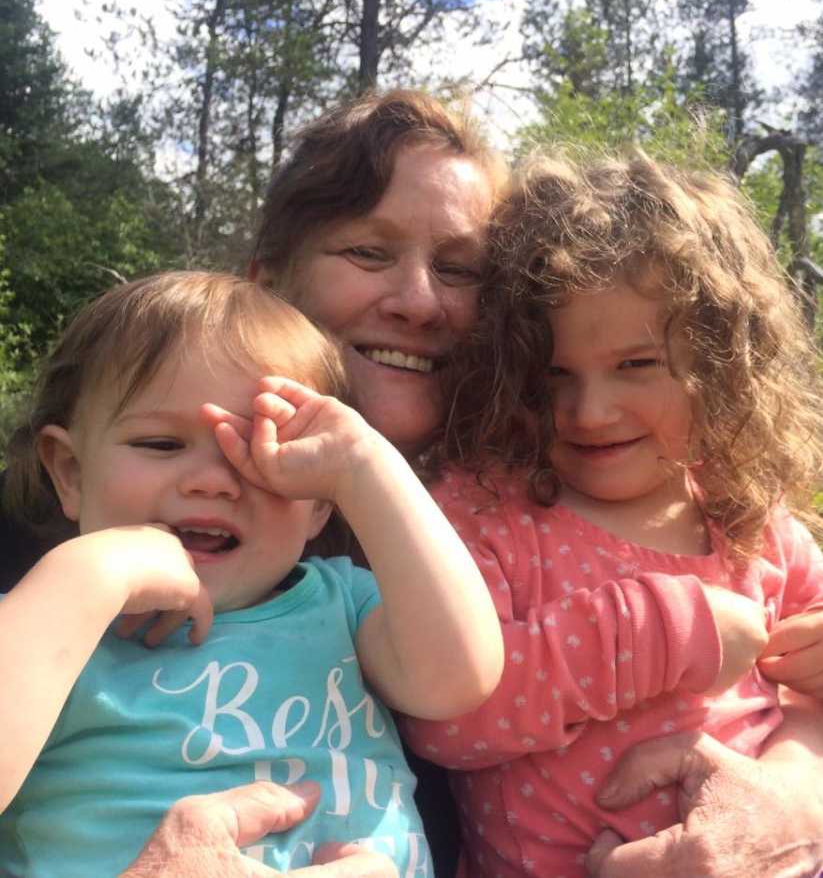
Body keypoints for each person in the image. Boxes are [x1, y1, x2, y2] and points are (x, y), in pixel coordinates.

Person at [0, 89, 823, 877]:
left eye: (457, 269)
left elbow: (801, 657)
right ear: (269, 280)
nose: (419, 301)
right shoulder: (69, 548)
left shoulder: (596, 479)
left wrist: (797, 796)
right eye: (369, 252)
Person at [402, 149, 823, 875]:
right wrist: (655, 635)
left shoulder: (740, 511)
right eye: (553, 375)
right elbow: (448, 717)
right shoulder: (485, 512)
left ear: (721, 365)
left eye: (636, 365)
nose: (589, 410)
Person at [0, 271, 503, 877]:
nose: (212, 480)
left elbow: (459, 678)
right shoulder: (43, 623)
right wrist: (85, 579)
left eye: (261, 454)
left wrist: (364, 465)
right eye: (161, 443)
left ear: (320, 503)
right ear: (71, 473)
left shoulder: (342, 606)